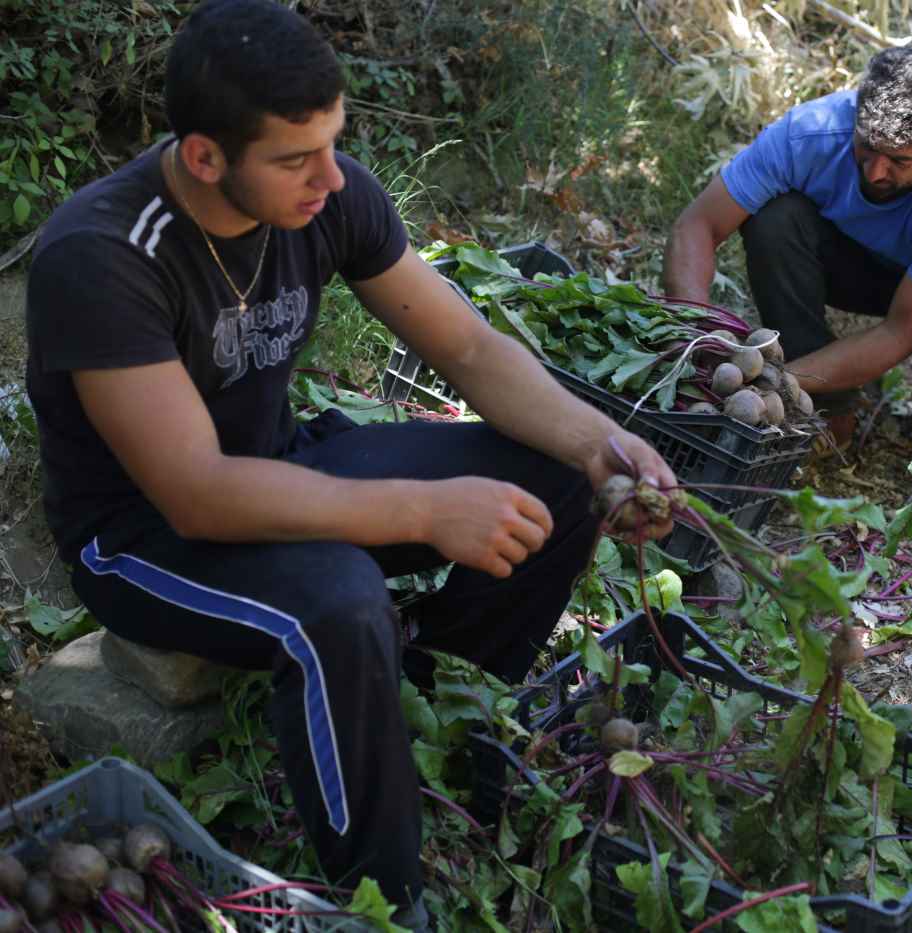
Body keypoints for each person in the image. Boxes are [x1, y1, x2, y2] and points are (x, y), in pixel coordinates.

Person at [23, 0, 677, 925]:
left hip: (279, 460)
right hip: (140, 536)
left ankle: (428, 713)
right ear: (206, 157)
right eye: (296, 158)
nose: (330, 178)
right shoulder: (100, 256)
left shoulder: (328, 192)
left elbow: (473, 352)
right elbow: (197, 494)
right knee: (336, 601)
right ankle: (382, 895)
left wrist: (602, 445)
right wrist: (422, 510)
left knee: (558, 476)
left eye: (334, 143)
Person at [662, 45, 912, 449]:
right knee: (772, 220)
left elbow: (899, 330)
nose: (875, 172)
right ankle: (831, 405)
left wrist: (777, 384)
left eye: (899, 162)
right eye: (866, 148)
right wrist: (696, 336)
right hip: (851, 258)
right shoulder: (810, 132)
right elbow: (697, 225)